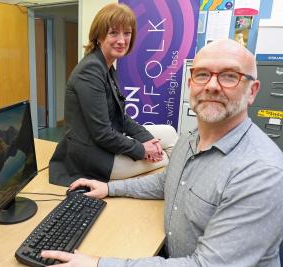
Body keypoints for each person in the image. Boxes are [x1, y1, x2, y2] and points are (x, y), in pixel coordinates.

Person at [42, 39, 283, 266]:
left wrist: (99, 263)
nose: (211, 86)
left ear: (252, 91)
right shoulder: (190, 139)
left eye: (229, 76)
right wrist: (109, 188)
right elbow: (167, 181)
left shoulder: (261, 173)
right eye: (202, 75)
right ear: (190, 84)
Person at [49, 3, 164, 187]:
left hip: (106, 144)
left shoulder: (107, 67)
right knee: (165, 157)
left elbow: (121, 118)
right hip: (91, 158)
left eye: (127, 33)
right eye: (113, 33)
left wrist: (147, 139)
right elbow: (102, 133)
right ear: (99, 37)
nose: (121, 40)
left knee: (169, 135)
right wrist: (142, 150)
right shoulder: (91, 69)